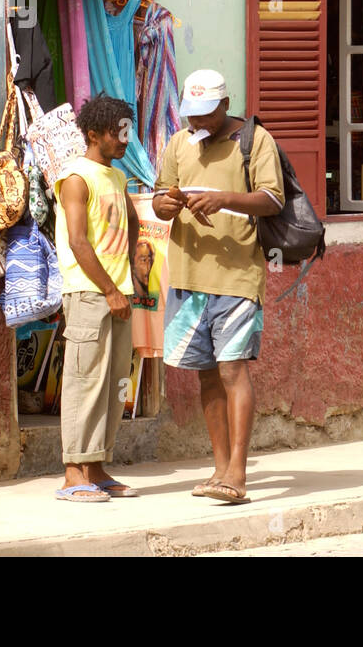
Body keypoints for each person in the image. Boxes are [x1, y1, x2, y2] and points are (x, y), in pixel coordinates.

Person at [153, 70, 283, 505]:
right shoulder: (178, 142)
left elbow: (273, 199)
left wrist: (223, 198)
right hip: (188, 276)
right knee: (206, 374)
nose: (199, 124)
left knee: (232, 370)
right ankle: (220, 469)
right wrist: (166, 203)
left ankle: (239, 475)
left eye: (207, 115)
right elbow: (158, 197)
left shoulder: (254, 140)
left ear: (225, 106)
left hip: (237, 275)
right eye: (193, 115)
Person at [53, 94, 141, 501]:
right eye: (116, 132)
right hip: (90, 295)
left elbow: (132, 222)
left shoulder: (118, 178)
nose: (125, 139)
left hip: (118, 294)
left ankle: (98, 467)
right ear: (93, 134)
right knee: (84, 381)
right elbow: (77, 240)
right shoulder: (76, 177)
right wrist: (109, 288)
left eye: (127, 130)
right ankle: (74, 474)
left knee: (113, 383)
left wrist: (131, 278)